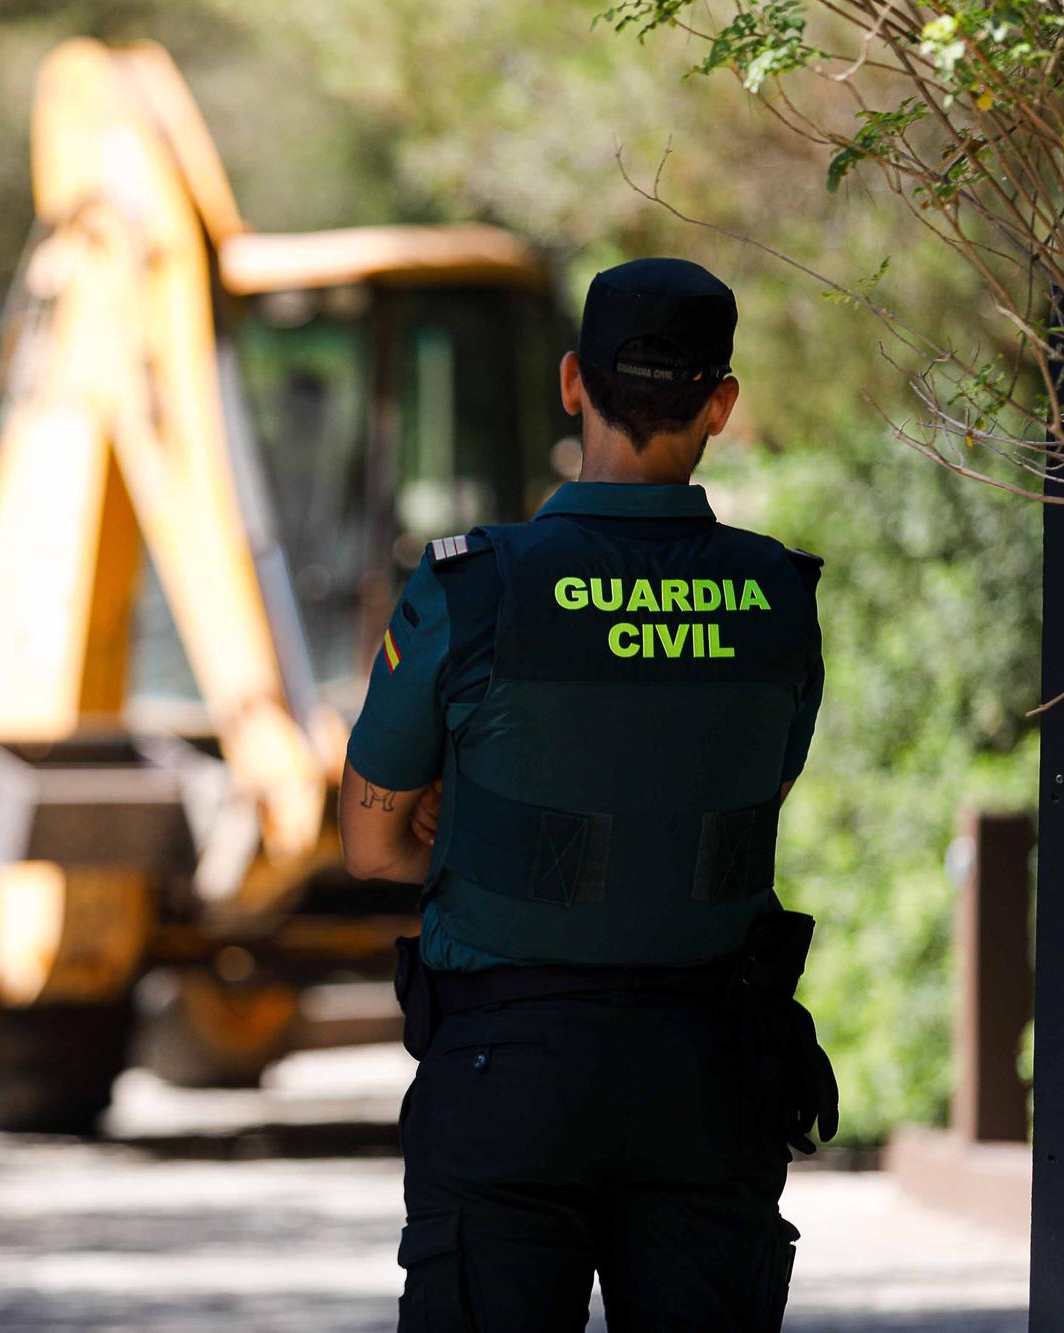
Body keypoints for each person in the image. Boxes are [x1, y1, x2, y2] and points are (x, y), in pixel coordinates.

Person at [339, 257, 837, 1332]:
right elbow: (745, 795)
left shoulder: (472, 587)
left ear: (572, 383)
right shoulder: (776, 599)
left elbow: (371, 846)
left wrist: (471, 825)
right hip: (707, 1075)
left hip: (505, 1075)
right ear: (718, 402)